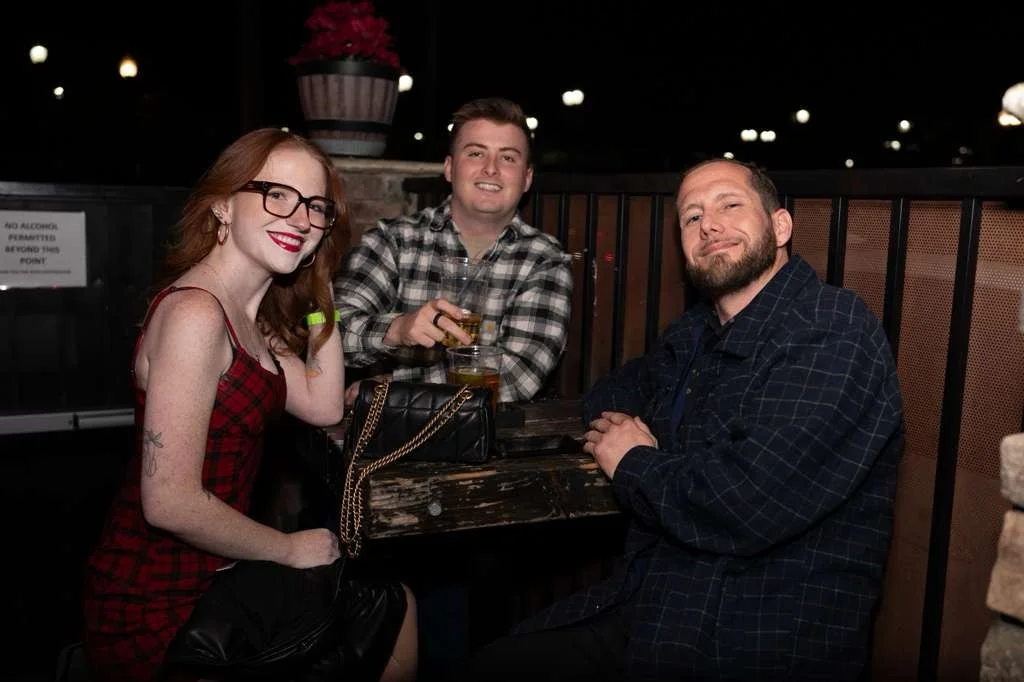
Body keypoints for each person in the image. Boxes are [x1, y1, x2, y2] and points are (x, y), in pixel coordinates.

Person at [450, 159, 905, 681]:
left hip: (757, 637)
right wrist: (640, 448)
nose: (708, 224)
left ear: (780, 227)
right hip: (660, 606)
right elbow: (610, 394)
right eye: (691, 217)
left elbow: (742, 504)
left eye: (729, 206)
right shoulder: (699, 331)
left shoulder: (831, 331)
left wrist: (637, 461)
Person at [81, 128, 417, 682]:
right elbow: (168, 503)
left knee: (392, 603)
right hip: (158, 601)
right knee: (390, 609)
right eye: (276, 195)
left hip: (216, 577)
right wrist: (285, 549)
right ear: (222, 206)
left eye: (315, 207)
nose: (300, 217)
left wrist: (319, 284)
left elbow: (324, 403)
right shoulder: (197, 315)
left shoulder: (249, 321)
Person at [334, 96, 574, 405]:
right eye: (476, 153)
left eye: (508, 158)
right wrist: (398, 329)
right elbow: (332, 336)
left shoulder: (545, 259)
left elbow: (518, 377)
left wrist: (393, 393)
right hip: (387, 439)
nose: (491, 169)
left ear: (526, 179)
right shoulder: (393, 240)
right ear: (449, 168)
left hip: (491, 441)